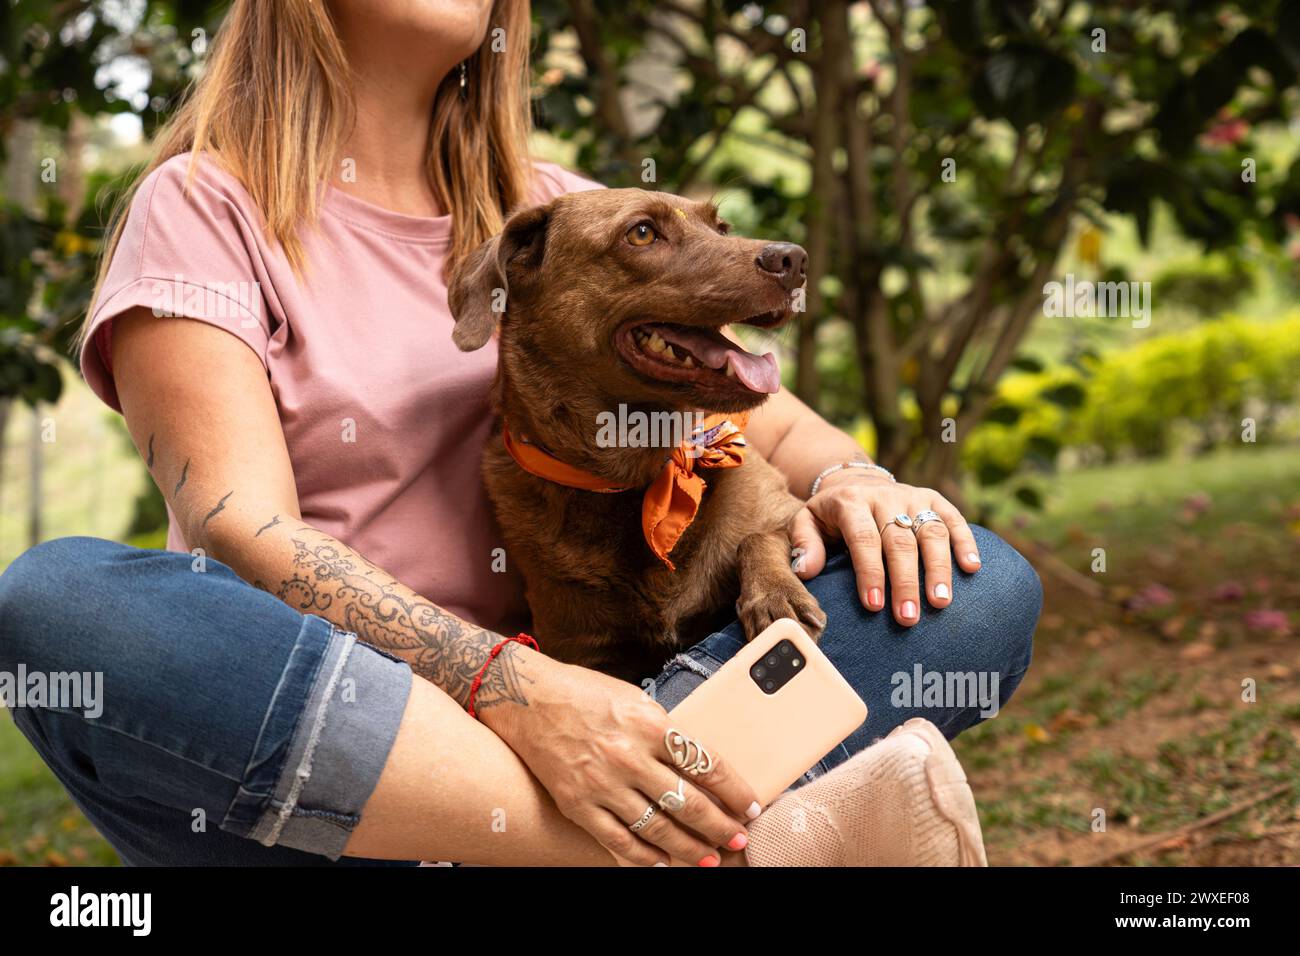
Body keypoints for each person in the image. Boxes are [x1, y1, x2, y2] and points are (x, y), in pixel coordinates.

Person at [0, 0, 1039, 867]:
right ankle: (686, 832)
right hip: (358, 764)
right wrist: (512, 688)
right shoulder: (205, 204)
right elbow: (236, 522)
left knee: (973, 580)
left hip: (625, 707)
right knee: (58, 604)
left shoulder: (560, 208)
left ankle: (635, 822)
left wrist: (859, 478)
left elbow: (777, 419)